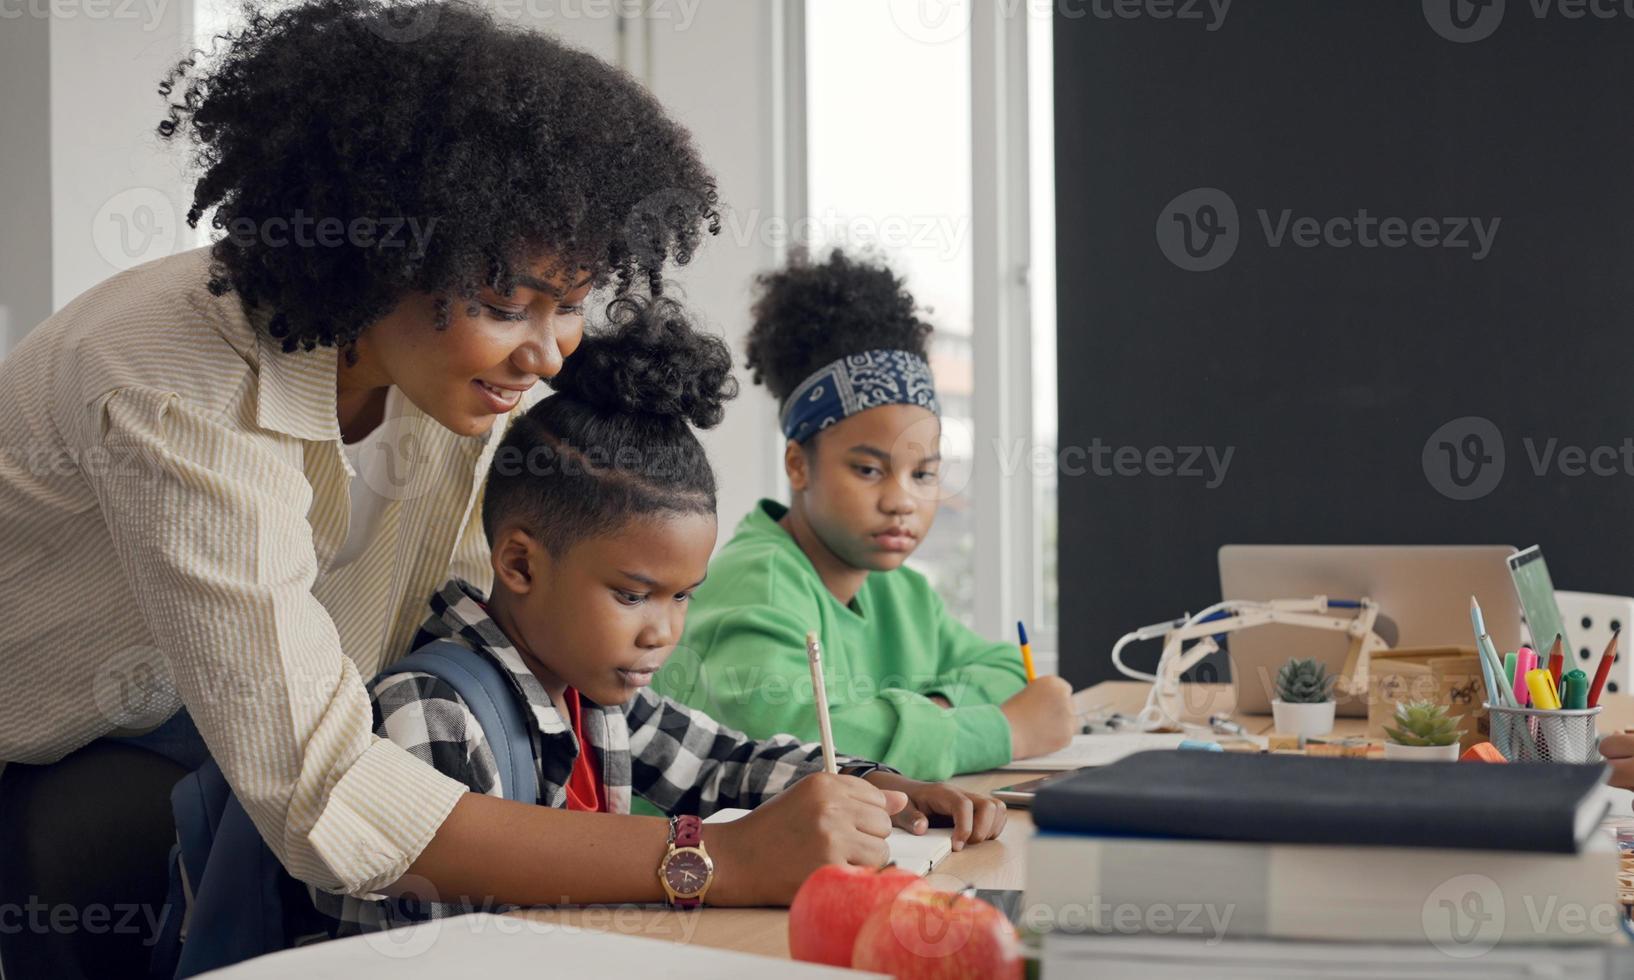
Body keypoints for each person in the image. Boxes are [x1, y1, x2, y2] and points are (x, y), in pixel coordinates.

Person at [0, 0, 721, 957]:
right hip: (63, 759)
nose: (546, 356)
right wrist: (704, 859)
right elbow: (324, 791)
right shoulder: (167, 377)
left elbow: (514, 648)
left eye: (573, 305)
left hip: (214, 743)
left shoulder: (449, 379)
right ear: (380, 253)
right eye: (508, 304)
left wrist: (789, 788)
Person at [317, 296, 1007, 934]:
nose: (663, 632)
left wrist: (881, 787)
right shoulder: (431, 712)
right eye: (631, 594)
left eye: (682, 596)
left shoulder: (588, 687)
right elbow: (455, 950)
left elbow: (723, 763)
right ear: (520, 564)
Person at [652, 249, 1076, 781]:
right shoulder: (757, 580)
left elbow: (1011, 670)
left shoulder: (902, 593)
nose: (902, 501)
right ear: (797, 465)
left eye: (923, 474)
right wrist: (1001, 732)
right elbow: (798, 745)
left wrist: (930, 715)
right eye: (870, 470)